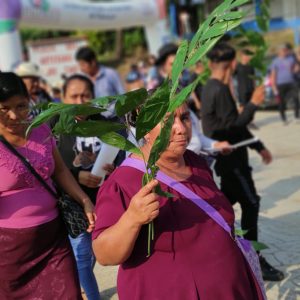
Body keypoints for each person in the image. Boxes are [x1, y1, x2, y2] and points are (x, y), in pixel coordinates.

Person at [92, 101, 265, 300]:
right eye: (168, 121)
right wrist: (132, 219)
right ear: (145, 129)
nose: (181, 129)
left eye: (184, 118)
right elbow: (104, 254)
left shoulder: (195, 161)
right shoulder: (123, 182)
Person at [0, 72, 95, 298]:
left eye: (21, 106)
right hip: (10, 253)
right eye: (4, 109)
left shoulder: (40, 128)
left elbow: (60, 170)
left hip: (54, 241)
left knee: (69, 293)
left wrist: (84, 200)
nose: (14, 115)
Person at [201, 42, 284, 281]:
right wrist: (254, 103)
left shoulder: (210, 87)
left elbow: (228, 126)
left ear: (210, 64)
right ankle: (253, 255)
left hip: (226, 161)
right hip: (232, 162)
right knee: (252, 203)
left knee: (226, 204)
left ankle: (223, 248)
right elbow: (234, 128)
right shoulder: (220, 90)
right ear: (233, 64)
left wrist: (258, 146)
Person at [57, 74, 118, 300]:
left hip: (105, 200)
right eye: (73, 96)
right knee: (82, 255)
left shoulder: (106, 123)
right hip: (76, 204)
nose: (79, 100)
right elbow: (52, 168)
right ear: (62, 97)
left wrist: (114, 168)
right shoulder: (54, 127)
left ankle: (83, 284)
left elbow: (121, 154)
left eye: (85, 95)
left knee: (93, 255)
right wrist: (77, 176)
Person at [75, 46, 125, 119]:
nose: (81, 68)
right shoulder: (82, 79)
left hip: (115, 119)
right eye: (80, 65)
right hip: (95, 122)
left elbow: (123, 96)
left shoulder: (110, 74)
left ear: (93, 62)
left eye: (83, 65)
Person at [270, 44, 300, 124]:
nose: (284, 52)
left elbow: (296, 66)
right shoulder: (275, 61)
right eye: (283, 50)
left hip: (292, 82)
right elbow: (273, 75)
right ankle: (284, 119)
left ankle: (296, 117)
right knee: (281, 102)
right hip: (280, 84)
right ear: (279, 52)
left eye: (285, 50)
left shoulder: (291, 58)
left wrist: (296, 69)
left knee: (296, 99)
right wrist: (274, 88)